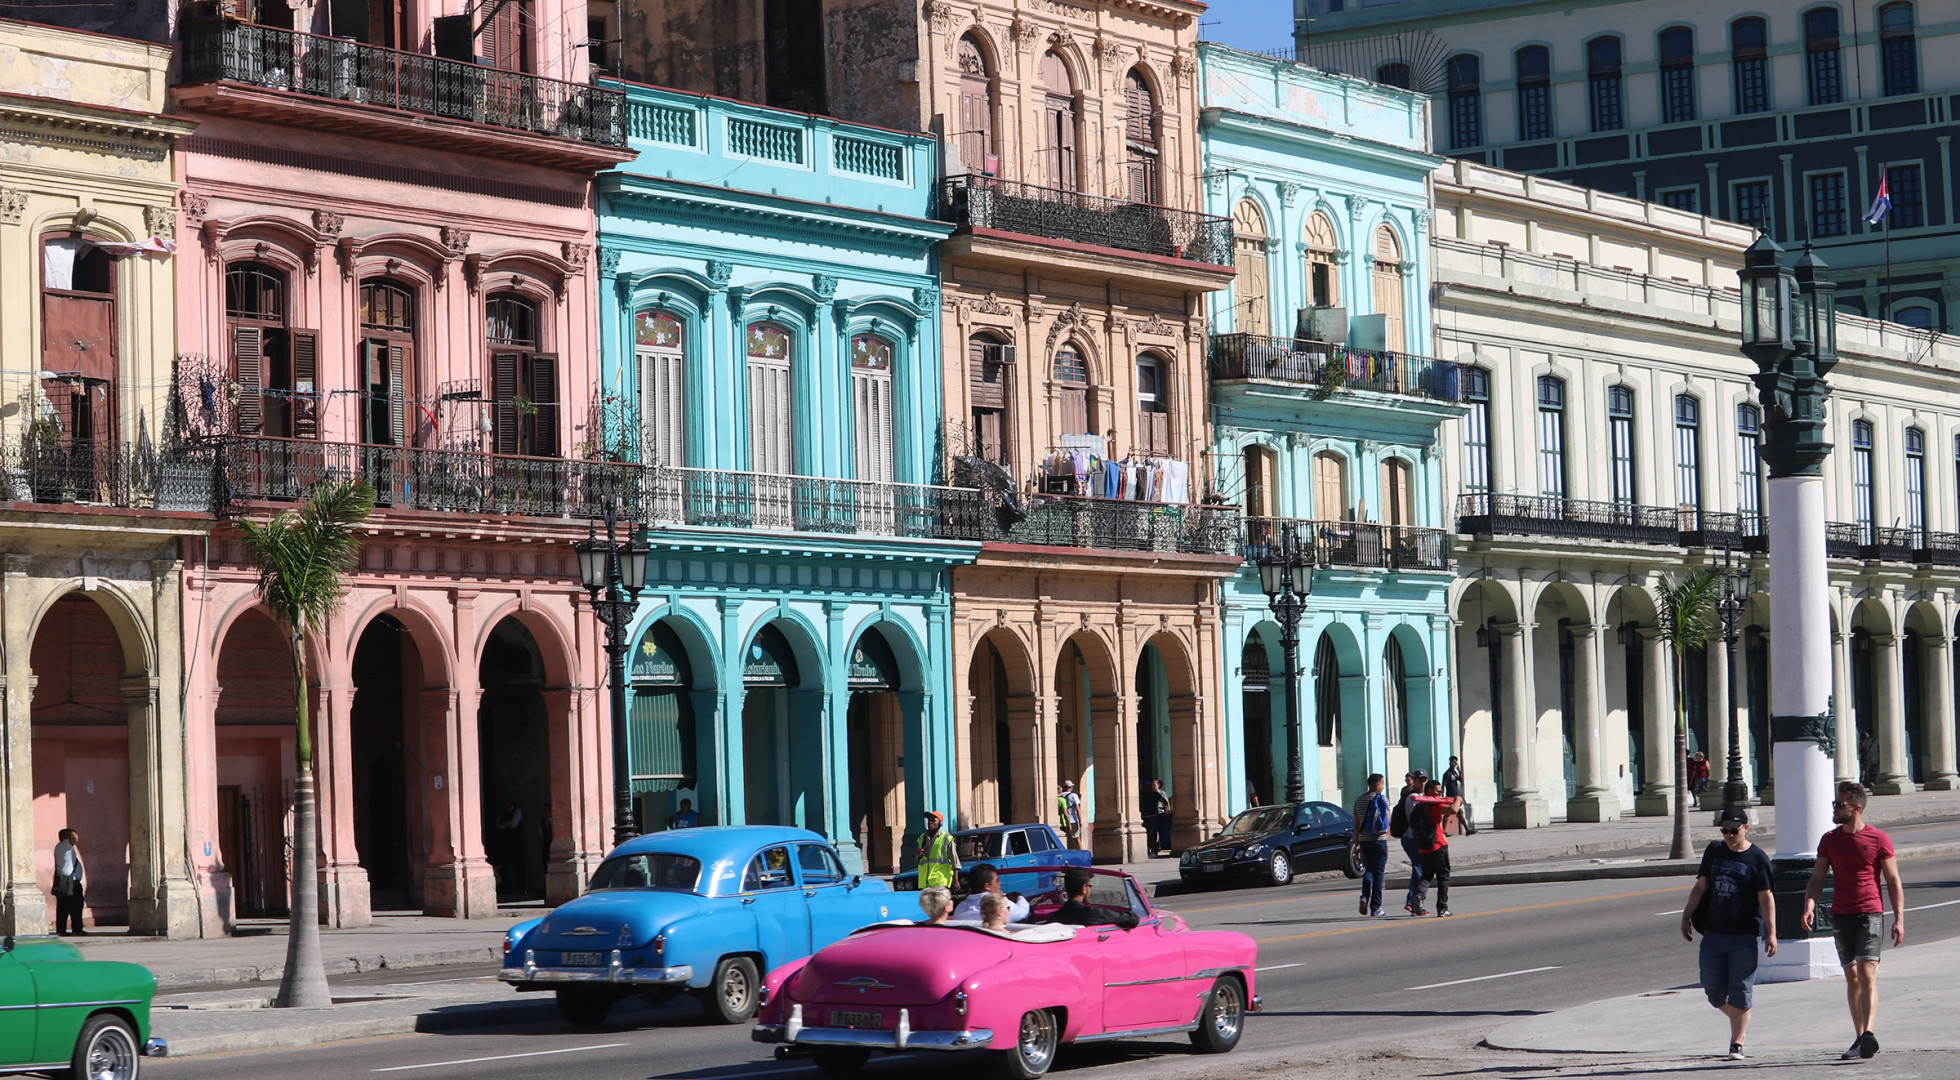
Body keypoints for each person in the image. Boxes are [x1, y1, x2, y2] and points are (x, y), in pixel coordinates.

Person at [1803, 781, 1905, 1060]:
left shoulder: (1878, 838)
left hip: (1869, 912)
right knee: (1851, 976)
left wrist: (1899, 919)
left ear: (1856, 808)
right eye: (1834, 804)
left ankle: (1868, 1033)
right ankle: (1860, 1037)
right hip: (1840, 914)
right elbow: (1817, 878)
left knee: (1867, 973)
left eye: (1840, 805)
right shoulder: (1830, 840)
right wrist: (1809, 905)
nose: (1835, 809)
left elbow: (1893, 880)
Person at [1680, 810, 1777, 1061]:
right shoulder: (1714, 851)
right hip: (1714, 933)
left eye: (1734, 831)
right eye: (1724, 831)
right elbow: (1701, 886)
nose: (1729, 836)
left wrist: (1771, 932)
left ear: (1746, 827)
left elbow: (1766, 897)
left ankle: (1737, 1042)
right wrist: (1685, 916)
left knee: (1741, 989)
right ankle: (1740, 1016)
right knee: (1713, 992)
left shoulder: (1757, 859)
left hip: (1744, 935)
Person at [1406, 780, 1461, 917]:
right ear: (1430, 791)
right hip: (1438, 845)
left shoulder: (1419, 806)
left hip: (1424, 847)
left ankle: (1419, 895)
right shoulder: (1435, 805)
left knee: (1427, 875)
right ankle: (1442, 908)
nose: (1440, 794)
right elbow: (1453, 809)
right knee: (1443, 876)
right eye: (1438, 791)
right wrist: (1458, 798)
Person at [1042, 866, 1137, 929]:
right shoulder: (1094, 914)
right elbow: (1132, 919)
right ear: (1084, 888)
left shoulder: (1054, 917)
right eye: (1090, 886)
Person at [1350, 773, 1390, 917]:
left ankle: (1364, 897)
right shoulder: (1382, 799)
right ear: (1376, 785)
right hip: (1379, 840)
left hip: (1364, 840)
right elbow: (1388, 821)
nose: (1383, 786)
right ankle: (1376, 908)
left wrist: (1357, 844)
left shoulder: (1359, 800)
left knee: (1368, 871)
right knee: (1379, 873)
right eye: (1382, 784)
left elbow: (1356, 824)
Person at [1393, 770, 1429, 915]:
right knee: (1420, 870)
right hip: (1412, 838)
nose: (1423, 782)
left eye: (1424, 779)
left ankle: (1413, 903)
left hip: (1413, 838)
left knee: (1419, 869)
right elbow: (1416, 822)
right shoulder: (1413, 798)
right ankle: (1412, 902)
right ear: (1414, 781)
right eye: (1420, 780)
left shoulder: (1420, 796)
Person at [954, 863, 1031, 922]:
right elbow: (1023, 912)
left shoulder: (960, 909)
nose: (999, 884)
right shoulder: (1002, 906)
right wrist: (1019, 897)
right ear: (987, 886)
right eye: (997, 881)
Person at [52, 828, 85, 936]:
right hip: (70, 882)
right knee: (75, 906)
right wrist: (71, 833)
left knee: (63, 907)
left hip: (64, 880)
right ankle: (77, 929)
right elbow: (74, 837)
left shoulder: (62, 847)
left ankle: (61, 930)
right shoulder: (64, 845)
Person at [916, 810, 960, 889]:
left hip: (941, 881)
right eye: (929, 820)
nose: (930, 822)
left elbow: (955, 861)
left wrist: (956, 880)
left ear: (940, 823)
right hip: (925, 883)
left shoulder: (947, 838)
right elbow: (919, 861)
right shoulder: (922, 838)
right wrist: (918, 855)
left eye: (933, 820)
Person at [1442, 756, 1476, 834]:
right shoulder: (1447, 774)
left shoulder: (1454, 773)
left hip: (1455, 796)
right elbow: (1443, 785)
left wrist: (1459, 770)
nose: (1454, 763)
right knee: (1448, 814)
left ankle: (1467, 830)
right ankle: (1443, 831)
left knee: (1459, 813)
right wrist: (1443, 796)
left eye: (1455, 762)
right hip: (1450, 796)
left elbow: (1461, 780)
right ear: (1450, 763)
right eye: (1452, 762)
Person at [1143, 779, 1171, 857]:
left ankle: (1154, 851)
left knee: (1153, 834)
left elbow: (1165, 801)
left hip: (1153, 816)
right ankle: (1148, 850)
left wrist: (1166, 809)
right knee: (1147, 834)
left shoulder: (1155, 794)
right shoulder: (1142, 794)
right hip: (1145, 817)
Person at [1057, 781, 1084, 851]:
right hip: (1073, 819)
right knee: (1076, 838)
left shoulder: (1060, 795)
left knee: (1067, 839)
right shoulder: (1073, 795)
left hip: (1062, 821)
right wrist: (1080, 821)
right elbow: (1077, 809)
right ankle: (1081, 853)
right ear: (1071, 787)